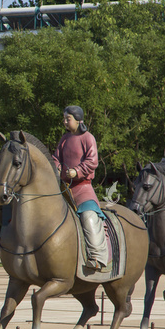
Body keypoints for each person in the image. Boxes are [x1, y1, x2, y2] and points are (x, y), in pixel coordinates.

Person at [52, 105, 108, 270]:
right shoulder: (64, 139)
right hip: (63, 189)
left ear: (78, 120)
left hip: (82, 189)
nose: (65, 122)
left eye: (67, 119)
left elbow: (92, 161)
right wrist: (57, 168)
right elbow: (56, 157)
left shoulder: (88, 138)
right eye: (64, 118)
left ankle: (98, 257)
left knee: (88, 216)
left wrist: (76, 172)